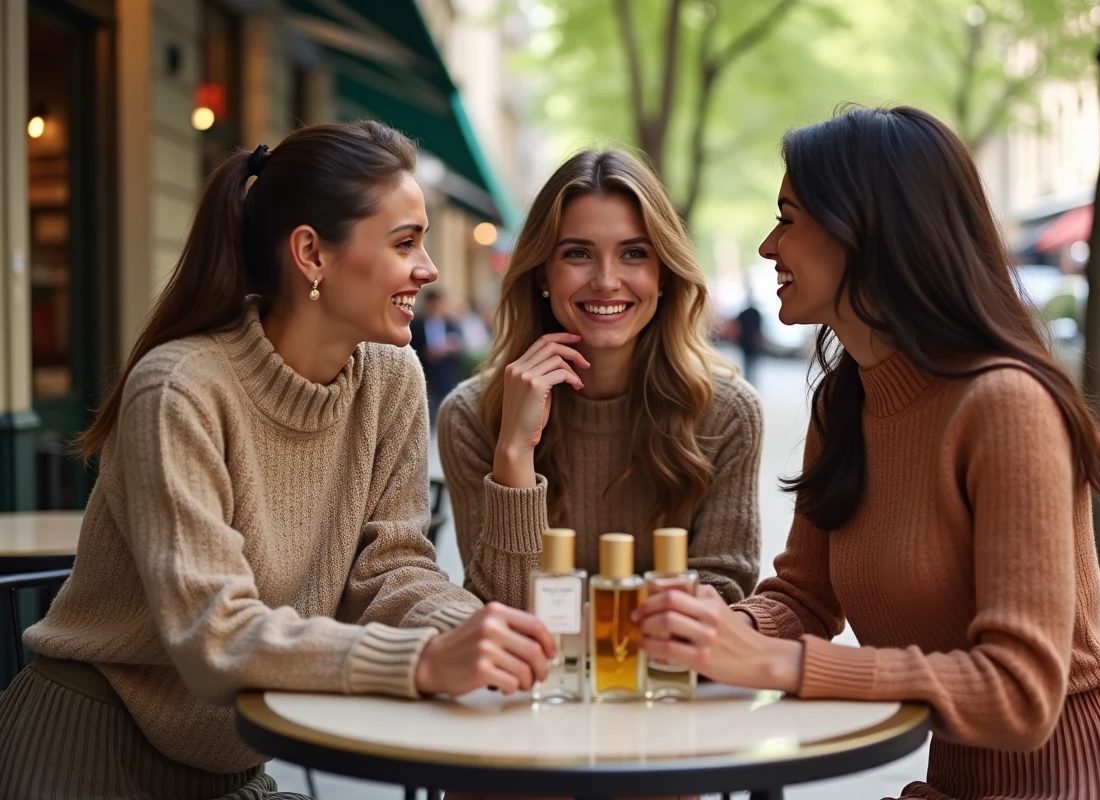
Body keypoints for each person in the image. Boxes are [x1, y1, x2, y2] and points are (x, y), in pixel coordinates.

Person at [633, 107, 1100, 800]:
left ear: (866, 230)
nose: (770, 247)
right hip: (957, 776)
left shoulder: (1004, 404)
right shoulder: (845, 404)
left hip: (1076, 778)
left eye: (789, 217)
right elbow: (805, 595)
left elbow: (1021, 695)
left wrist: (783, 665)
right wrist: (716, 630)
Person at [0, 122, 553, 799]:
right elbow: (216, 634)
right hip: (87, 762)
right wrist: (424, 660)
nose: (430, 269)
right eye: (406, 242)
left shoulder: (391, 376)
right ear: (312, 254)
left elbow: (392, 567)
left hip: (232, 772)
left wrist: (483, 636)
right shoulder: (180, 387)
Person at [437, 149, 763, 608]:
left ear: (664, 274)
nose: (607, 281)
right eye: (577, 253)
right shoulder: (471, 416)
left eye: (633, 253)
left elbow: (721, 598)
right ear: (542, 274)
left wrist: (604, 641)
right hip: (540, 680)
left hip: (665, 678)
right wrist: (514, 452)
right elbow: (505, 611)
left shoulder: (726, 411)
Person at [410, 288, 464, 424]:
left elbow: (459, 344)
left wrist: (451, 347)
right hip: (424, 369)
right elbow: (411, 346)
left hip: (445, 370)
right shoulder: (416, 324)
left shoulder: (450, 323)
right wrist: (426, 352)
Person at [734, 300, 765, 385]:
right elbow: (759, 329)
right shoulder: (756, 313)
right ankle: (750, 379)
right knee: (752, 361)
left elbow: (737, 326)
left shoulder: (744, 313)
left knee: (747, 361)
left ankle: (748, 378)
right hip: (752, 341)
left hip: (745, 341)